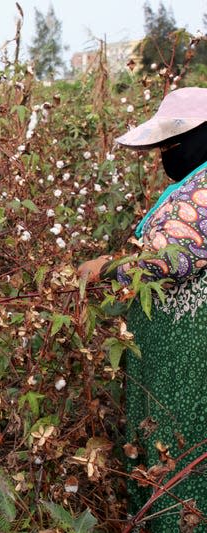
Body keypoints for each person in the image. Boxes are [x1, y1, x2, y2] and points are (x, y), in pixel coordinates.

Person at [79, 87, 207, 531]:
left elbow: (176, 258)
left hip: (191, 361)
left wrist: (108, 267)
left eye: (172, 145)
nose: (164, 156)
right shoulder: (194, 181)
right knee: (164, 449)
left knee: (184, 456)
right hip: (171, 358)